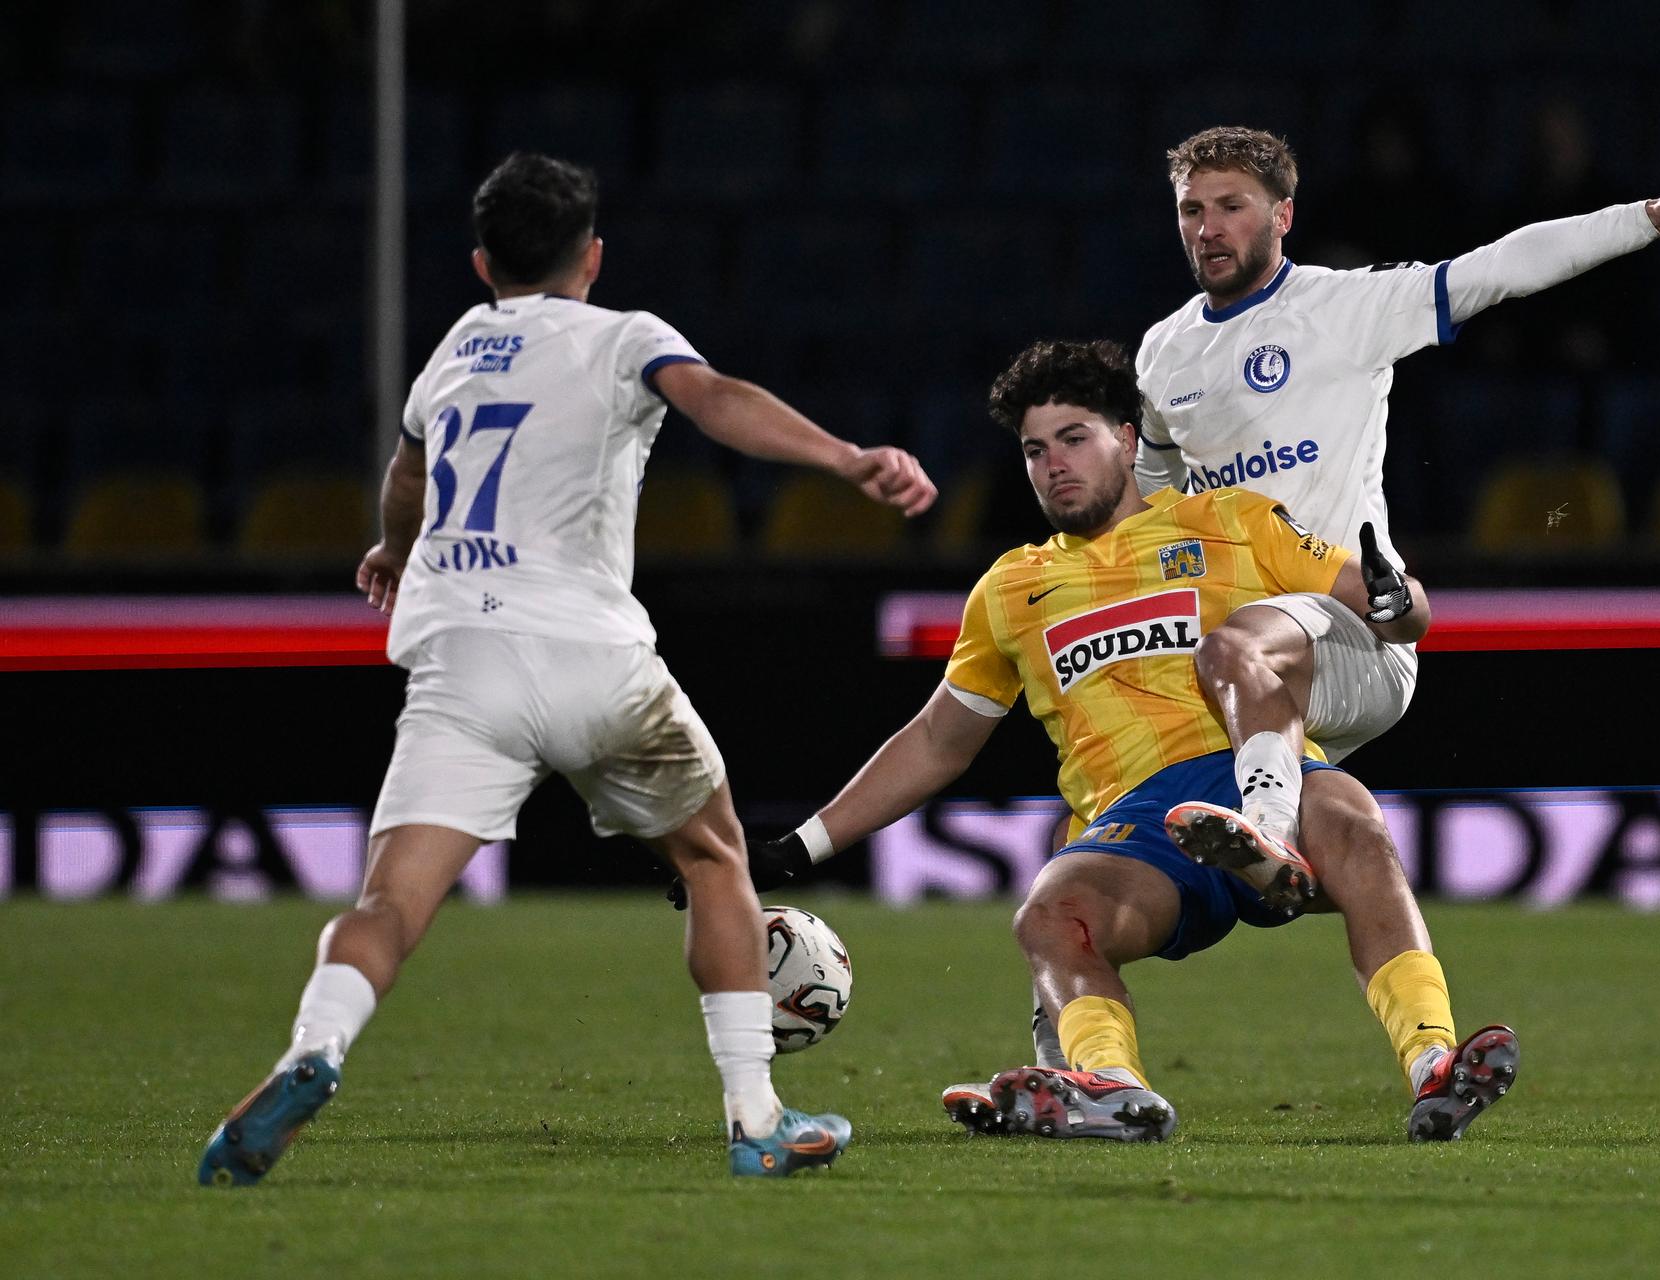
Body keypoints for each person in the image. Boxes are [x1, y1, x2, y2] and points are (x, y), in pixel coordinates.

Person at [194, 151, 936, 1186]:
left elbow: (408, 470)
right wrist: (846, 458)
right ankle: (757, 1116)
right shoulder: (624, 336)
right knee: (715, 856)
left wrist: (398, 549)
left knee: (389, 905)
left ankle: (311, 1052)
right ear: (593, 254)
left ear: (480, 259)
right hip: (594, 659)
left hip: (461, 666)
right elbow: (715, 396)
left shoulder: (455, 348)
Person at [741, 339, 1513, 1143]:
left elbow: (1391, 607)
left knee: (1354, 825)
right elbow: (939, 740)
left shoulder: (1231, 521)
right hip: (1138, 824)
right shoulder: (1010, 590)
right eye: (1035, 450)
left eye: (1074, 438)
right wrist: (800, 846)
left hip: (1253, 766)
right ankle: (1110, 1088)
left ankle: (1434, 1063)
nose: (1052, 466)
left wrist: (1404, 597)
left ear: (1130, 440)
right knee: (1049, 916)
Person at [1134, 126, 1660, 840]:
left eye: (1232, 207)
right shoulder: (1163, 351)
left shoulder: (1345, 309)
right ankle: (1284, 853)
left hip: (1356, 632)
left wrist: (1645, 220)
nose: (1209, 228)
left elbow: (1495, 269)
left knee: (1235, 660)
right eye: (1193, 210)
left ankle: (1269, 831)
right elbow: (1154, 499)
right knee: (1149, 873)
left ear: (1282, 216)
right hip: (1236, 661)